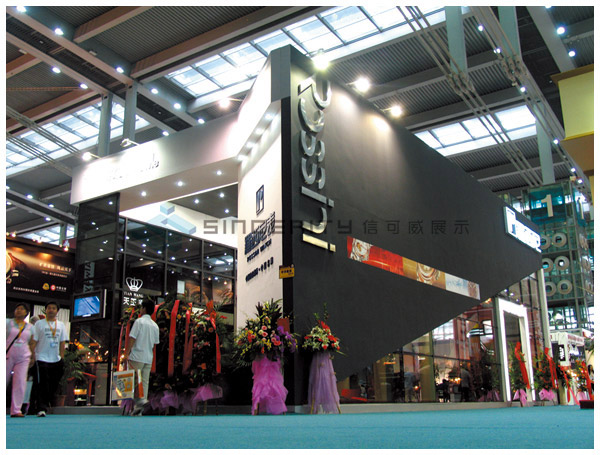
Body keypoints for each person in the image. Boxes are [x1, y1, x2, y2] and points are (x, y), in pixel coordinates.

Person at [31, 301, 69, 417]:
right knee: (42, 383)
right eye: (49, 308)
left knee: (53, 384)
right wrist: (32, 356)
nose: (51, 310)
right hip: (41, 358)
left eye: (53, 308)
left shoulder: (61, 325)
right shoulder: (39, 324)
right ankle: (41, 408)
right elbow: (34, 341)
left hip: (56, 359)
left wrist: (61, 357)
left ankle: (43, 404)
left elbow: (62, 342)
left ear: (57, 311)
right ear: (46, 310)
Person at [124, 299, 159, 416]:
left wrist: (126, 353)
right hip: (148, 357)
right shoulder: (155, 326)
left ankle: (140, 401)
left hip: (136, 356)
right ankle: (139, 408)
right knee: (144, 382)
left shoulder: (139, 322)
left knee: (134, 381)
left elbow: (132, 338)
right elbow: (155, 343)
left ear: (144, 309)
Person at [6, 303, 35, 417]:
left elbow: (32, 343)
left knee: (20, 382)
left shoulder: (30, 327)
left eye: (22, 309)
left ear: (26, 313)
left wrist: (32, 356)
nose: (19, 310)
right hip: (7, 354)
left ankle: (16, 410)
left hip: (23, 356)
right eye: (17, 308)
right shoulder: (7, 323)